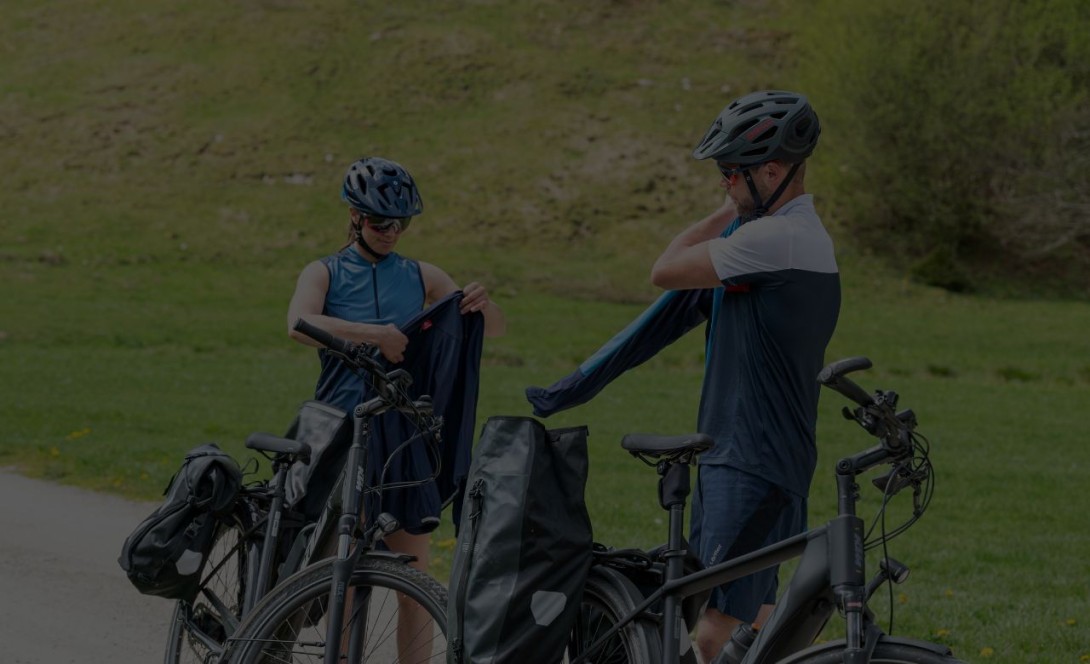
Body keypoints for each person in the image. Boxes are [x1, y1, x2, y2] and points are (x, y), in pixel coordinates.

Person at [650, 90, 840, 662]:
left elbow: (664, 270)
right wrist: (741, 199)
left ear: (775, 172)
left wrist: (732, 212)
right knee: (766, 625)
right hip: (776, 457)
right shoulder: (809, 238)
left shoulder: (769, 238)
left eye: (732, 172)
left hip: (745, 459)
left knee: (715, 635)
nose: (724, 184)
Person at [286, 155, 506, 569]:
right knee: (344, 567)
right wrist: (377, 334)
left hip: (400, 433)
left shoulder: (422, 275)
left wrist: (482, 302)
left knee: (414, 565)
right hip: (342, 429)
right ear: (354, 216)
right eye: (379, 223)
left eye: (401, 224)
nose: (391, 233)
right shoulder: (324, 272)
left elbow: (492, 329)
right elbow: (299, 323)